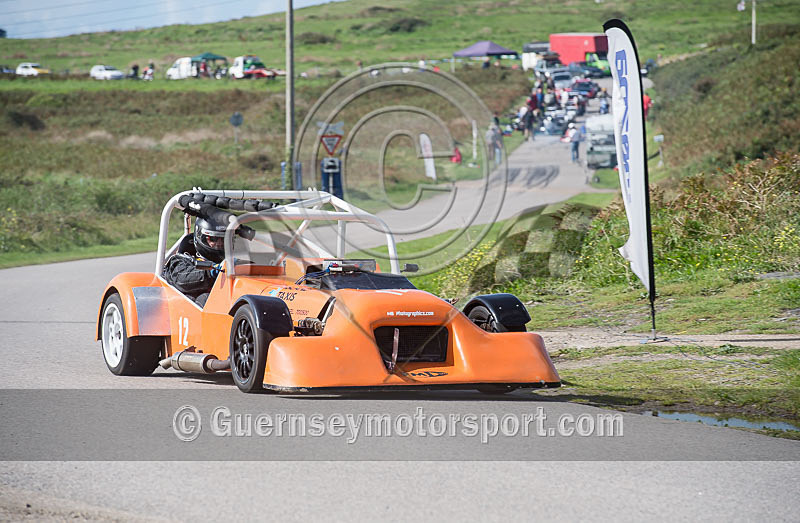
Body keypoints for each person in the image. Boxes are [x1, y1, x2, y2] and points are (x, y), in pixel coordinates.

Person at [162, 215, 228, 307]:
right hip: (189, 311)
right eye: (214, 239)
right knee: (206, 298)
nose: (220, 243)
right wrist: (211, 272)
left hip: (228, 306)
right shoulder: (181, 260)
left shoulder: (231, 263)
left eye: (223, 239)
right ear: (201, 237)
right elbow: (181, 279)